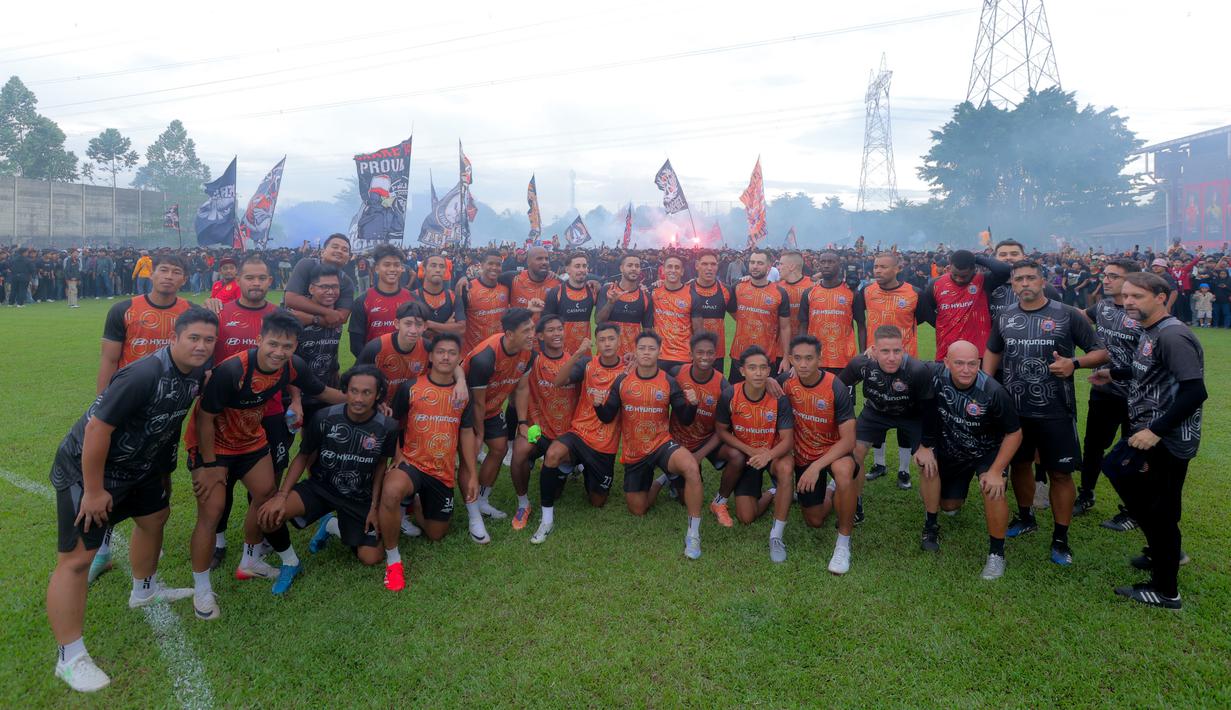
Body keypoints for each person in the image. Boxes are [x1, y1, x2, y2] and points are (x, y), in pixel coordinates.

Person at [46, 307, 218, 693]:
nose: (202, 346)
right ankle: (69, 657)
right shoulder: (143, 374)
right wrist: (92, 491)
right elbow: (96, 429)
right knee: (77, 560)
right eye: (194, 338)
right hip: (89, 467)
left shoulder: (195, 376)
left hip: (139, 466)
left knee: (155, 517)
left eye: (209, 340)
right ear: (175, 336)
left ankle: (145, 591)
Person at [185, 312, 346, 617]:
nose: (279, 352)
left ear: (295, 346)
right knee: (212, 510)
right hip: (214, 445)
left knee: (265, 495)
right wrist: (207, 466)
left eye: (287, 346)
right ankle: (202, 589)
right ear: (259, 340)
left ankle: (250, 560)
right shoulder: (233, 369)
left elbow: (322, 392)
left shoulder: (292, 366)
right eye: (273, 343)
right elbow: (204, 419)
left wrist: (359, 402)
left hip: (250, 440)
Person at [1091, 272, 1206, 609]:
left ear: (1161, 297)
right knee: (1139, 490)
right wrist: (1112, 373)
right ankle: (1162, 552)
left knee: (1154, 506)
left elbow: (1195, 391)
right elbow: (1147, 371)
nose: (1128, 302)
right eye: (1125, 296)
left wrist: (1156, 429)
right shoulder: (1149, 332)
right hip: (1150, 433)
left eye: (1137, 296)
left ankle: (1166, 590)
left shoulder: (1173, 336)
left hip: (1164, 439)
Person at [983, 261, 1107, 566]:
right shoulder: (1005, 316)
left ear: (1043, 281)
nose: (1025, 284)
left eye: (1030, 278)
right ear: (1012, 285)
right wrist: (985, 384)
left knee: (1060, 473)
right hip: (1015, 410)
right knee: (1021, 464)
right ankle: (1025, 517)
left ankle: (1060, 538)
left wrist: (1073, 364)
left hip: (1056, 409)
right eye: (1019, 280)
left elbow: (1101, 352)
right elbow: (993, 350)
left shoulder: (1066, 314)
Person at [255, 365, 398, 583]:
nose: (359, 398)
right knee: (268, 516)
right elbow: (303, 456)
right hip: (321, 488)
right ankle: (290, 562)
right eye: (353, 391)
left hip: (358, 497)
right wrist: (281, 495)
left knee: (371, 557)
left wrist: (374, 507)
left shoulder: (387, 427)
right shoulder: (324, 417)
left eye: (367, 392)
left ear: (378, 394)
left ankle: (332, 526)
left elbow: (381, 465)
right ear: (345, 391)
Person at [204, 254, 286, 570]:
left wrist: (296, 398)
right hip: (229, 414)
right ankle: (219, 541)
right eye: (249, 277)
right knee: (221, 481)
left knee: (266, 481)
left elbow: (291, 360)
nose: (255, 283)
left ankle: (260, 538)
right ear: (237, 279)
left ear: (270, 281)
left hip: (271, 410)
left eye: (261, 278)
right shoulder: (219, 313)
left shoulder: (279, 316)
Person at [379, 334, 480, 591]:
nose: (446, 356)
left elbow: (466, 433)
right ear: (431, 357)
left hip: (441, 471)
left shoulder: (462, 394)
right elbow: (393, 423)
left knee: (436, 534)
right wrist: (398, 454)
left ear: (459, 359)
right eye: (441, 352)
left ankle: (414, 504)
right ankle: (393, 560)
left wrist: (472, 472)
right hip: (412, 463)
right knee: (391, 491)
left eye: (452, 352)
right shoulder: (411, 387)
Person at [594, 331, 705, 559]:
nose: (646, 352)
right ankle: (661, 481)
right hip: (635, 452)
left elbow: (685, 418)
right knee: (638, 510)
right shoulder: (623, 381)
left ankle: (693, 534)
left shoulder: (668, 381)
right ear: (635, 351)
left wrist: (692, 404)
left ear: (658, 351)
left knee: (692, 467)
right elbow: (607, 416)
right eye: (642, 348)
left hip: (661, 444)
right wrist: (598, 405)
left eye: (651, 348)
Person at [922, 341, 1022, 579]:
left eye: (971, 364)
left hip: (986, 452)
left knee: (992, 488)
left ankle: (996, 555)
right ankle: (931, 525)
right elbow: (903, 363)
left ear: (979, 363)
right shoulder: (935, 376)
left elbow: (1015, 433)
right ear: (946, 363)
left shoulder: (993, 391)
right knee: (947, 500)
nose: (966, 370)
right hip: (953, 449)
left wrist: (997, 471)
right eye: (959, 363)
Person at [535, 323, 625, 544]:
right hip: (579, 433)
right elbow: (557, 382)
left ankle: (581, 467)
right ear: (596, 342)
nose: (607, 343)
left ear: (619, 341)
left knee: (597, 501)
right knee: (553, 454)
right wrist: (576, 353)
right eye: (602, 339)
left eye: (611, 339)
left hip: (605, 444)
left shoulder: (628, 370)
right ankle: (547, 519)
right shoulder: (587, 364)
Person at [1075, 259, 1142, 525]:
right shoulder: (1102, 307)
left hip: (1138, 395)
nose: (1106, 279)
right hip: (1104, 390)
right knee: (1093, 446)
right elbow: (1077, 316)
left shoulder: (1140, 311)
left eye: (1114, 276)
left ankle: (1132, 510)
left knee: (1132, 451)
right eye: (1105, 275)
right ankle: (1086, 494)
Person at [714, 346, 795, 562]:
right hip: (749, 456)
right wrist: (749, 450)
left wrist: (768, 455)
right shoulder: (730, 394)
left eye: (762, 368)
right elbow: (721, 431)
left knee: (786, 468)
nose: (758, 373)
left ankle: (776, 536)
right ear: (742, 371)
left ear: (769, 370)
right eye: (752, 368)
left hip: (772, 454)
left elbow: (787, 439)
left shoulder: (778, 397)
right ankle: (772, 491)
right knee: (746, 517)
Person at [838, 324, 935, 499]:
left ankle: (931, 521)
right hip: (875, 412)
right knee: (854, 453)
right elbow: (838, 387)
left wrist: (926, 446)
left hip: (911, 416)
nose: (892, 357)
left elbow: (929, 410)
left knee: (928, 463)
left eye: (896, 351)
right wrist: (845, 419)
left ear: (903, 350)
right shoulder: (862, 364)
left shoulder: (917, 370)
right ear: (874, 350)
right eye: (885, 351)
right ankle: (855, 505)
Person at [463, 308, 536, 538]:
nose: (532, 334)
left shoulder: (528, 352)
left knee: (500, 448)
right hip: (465, 409)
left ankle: (483, 501)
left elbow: (522, 387)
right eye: (526, 330)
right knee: (469, 457)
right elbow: (476, 403)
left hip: (492, 407)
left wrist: (523, 422)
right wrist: (478, 436)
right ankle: (473, 516)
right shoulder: (486, 358)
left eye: (533, 328)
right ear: (509, 334)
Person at [778, 335, 858, 542]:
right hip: (804, 454)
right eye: (798, 358)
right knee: (814, 520)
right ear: (790, 359)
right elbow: (760, 387)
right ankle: (830, 492)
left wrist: (816, 467)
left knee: (843, 471)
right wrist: (769, 380)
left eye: (809, 358)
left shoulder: (836, 387)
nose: (803, 364)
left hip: (834, 451)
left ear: (820, 359)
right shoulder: (785, 382)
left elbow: (849, 441)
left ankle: (843, 540)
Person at [508, 314, 580, 533]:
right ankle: (523, 504)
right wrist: (524, 423)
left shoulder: (575, 361)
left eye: (560, 329)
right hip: (539, 428)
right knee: (519, 451)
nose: (557, 333)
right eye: (550, 330)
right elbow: (517, 393)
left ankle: (568, 466)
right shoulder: (532, 361)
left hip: (566, 433)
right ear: (539, 335)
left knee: (556, 492)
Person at [653, 332, 733, 521]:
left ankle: (720, 500)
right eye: (700, 352)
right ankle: (668, 475)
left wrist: (700, 454)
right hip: (677, 441)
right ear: (691, 354)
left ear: (715, 355)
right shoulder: (676, 373)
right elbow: (651, 375)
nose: (705, 357)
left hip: (705, 440)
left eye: (710, 353)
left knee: (736, 455)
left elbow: (723, 428)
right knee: (684, 499)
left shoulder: (722, 384)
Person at [919, 248, 1010, 360]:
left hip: (978, 353)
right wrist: (942, 323)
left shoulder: (983, 281)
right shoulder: (936, 284)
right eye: (955, 274)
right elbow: (926, 310)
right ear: (950, 267)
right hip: (946, 352)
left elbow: (1005, 270)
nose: (959, 279)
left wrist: (976, 258)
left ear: (973, 269)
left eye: (964, 276)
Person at [286, 263, 345, 428]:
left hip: (326, 392)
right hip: (296, 395)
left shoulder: (336, 316)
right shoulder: (296, 315)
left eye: (335, 287)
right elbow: (288, 360)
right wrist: (295, 400)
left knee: (318, 442)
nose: (331, 291)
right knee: (287, 437)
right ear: (311, 288)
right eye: (324, 287)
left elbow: (331, 351)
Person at [726, 248, 791, 383]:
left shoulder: (779, 293)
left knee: (765, 400)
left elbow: (785, 327)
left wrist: (786, 357)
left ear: (769, 267)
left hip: (765, 357)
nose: (755, 266)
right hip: (739, 355)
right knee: (736, 397)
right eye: (752, 262)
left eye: (760, 263)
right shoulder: (738, 286)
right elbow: (732, 310)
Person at [801, 250, 863, 374]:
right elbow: (803, 326)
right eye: (823, 262)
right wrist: (802, 353)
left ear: (839, 265)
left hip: (844, 359)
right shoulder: (809, 293)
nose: (826, 265)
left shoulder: (852, 293)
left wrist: (862, 357)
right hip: (815, 358)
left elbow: (861, 326)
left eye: (831, 262)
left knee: (843, 393)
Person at [348, 243, 412, 358]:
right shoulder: (362, 301)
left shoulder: (412, 299)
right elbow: (355, 345)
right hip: (373, 370)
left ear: (401, 268)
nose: (392, 269)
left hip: (405, 368)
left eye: (397, 265)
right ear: (377, 268)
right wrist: (375, 366)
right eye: (387, 265)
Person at [283, 233, 355, 334]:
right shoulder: (306, 265)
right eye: (335, 247)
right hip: (291, 331)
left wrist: (312, 319)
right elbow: (291, 299)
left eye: (344, 250)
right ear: (322, 252)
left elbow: (341, 318)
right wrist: (327, 312)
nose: (339, 251)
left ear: (348, 258)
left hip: (326, 341)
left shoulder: (347, 282)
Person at [595, 253, 652, 359]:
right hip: (607, 357)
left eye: (637, 266)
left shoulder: (645, 296)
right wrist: (610, 302)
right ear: (621, 268)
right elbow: (598, 320)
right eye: (630, 265)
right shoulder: (608, 290)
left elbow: (647, 331)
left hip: (632, 358)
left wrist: (642, 354)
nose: (634, 269)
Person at [542, 251, 599, 354]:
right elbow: (545, 324)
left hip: (585, 354)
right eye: (577, 266)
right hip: (561, 354)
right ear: (568, 270)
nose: (582, 269)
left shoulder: (593, 290)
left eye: (584, 266)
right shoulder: (556, 292)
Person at [457, 249, 510, 354]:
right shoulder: (467, 288)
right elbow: (458, 322)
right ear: (481, 265)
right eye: (490, 263)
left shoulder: (506, 287)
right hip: (473, 352)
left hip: (498, 351)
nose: (494, 267)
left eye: (498, 264)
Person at [648, 254, 694, 371]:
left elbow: (698, 330)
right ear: (663, 270)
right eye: (669, 267)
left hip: (683, 356)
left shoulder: (692, 295)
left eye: (677, 267)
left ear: (682, 271)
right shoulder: (653, 292)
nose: (673, 270)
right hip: (659, 355)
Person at [499, 245, 560, 320]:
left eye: (546, 259)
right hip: (519, 330)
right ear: (528, 262)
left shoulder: (557, 283)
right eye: (539, 259)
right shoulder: (512, 278)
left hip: (545, 331)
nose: (544, 262)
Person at [413, 253, 465, 340]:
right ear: (424, 270)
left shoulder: (453, 297)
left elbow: (461, 329)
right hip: (420, 351)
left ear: (445, 270)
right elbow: (411, 330)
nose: (438, 270)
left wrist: (428, 324)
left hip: (444, 351)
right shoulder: (413, 296)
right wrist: (446, 327)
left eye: (441, 266)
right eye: (433, 266)